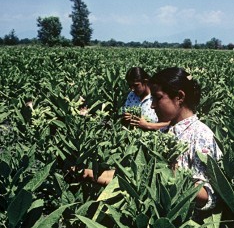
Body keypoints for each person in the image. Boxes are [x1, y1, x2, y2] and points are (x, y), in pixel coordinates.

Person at [83, 67, 222, 211]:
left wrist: (170, 174)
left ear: (179, 97)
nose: (152, 105)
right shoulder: (162, 133)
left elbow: (208, 196)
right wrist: (90, 174)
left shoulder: (201, 135)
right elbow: (136, 176)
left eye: (158, 97)